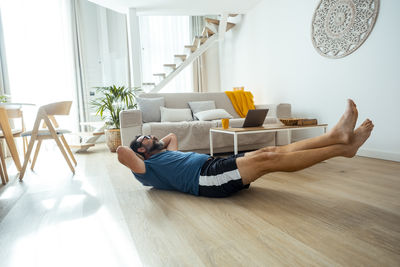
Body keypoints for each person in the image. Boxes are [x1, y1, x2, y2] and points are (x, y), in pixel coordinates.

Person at [116, 99, 374, 198]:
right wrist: (137, 147)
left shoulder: (164, 153)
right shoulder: (145, 169)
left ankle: (335, 137)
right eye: (144, 138)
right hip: (208, 180)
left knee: (271, 151)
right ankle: (343, 149)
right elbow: (121, 153)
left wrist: (153, 144)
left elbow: (171, 136)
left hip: (213, 166)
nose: (149, 135)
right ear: (140, 152)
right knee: (270, 158)